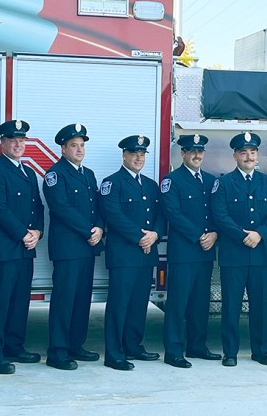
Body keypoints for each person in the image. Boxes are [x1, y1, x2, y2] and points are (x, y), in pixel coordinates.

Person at [211, 132, 267, 367]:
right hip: (234, 254)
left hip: (261, 254)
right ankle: (230, 352)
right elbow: (220, 216)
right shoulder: (224, 183)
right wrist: (243, 235)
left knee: (260, 305)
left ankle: (261, 351)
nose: (249, 156)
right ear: (235, 156)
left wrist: (259, 233)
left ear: (257, 155)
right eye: (243, 152)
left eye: (252, 152)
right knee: (231, 305)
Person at [0, 119, 44, 375]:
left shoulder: (28, 172)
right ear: (2, 142)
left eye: (22, 140)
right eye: (13, 140)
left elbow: (37, 206)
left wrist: (38, 231)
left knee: (19, 302)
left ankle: (14, 346)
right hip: (4, 250)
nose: (18, 144)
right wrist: (23, 234)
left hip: (25, 249)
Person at [98, 134, 166, 371]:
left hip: (147, 254)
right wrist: (141, 237)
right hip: (124, 255)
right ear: (124, 155)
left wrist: (155, 235)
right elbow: (113, 215)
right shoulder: (112, 183)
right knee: (119, 304)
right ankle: (114, 354)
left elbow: (160, 216)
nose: (138, 158)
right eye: (134, 153)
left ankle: (134, 346)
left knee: (139, 304)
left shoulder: (150, 185)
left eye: (142, 154)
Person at [42, 123, 104, 371]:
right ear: (63, 148)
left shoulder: (88, 174)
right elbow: (60, 208)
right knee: (64, 300)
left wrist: (99, 227)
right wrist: (89, 230)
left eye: (82, 146)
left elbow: (97, 206)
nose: (79, 150)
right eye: (74, 146)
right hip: (68, 249)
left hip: (87, 247)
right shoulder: (55, 174)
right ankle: (57, 352)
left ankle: (75, 345)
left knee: (81, 300)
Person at [160, 134, 221, 369]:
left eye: (200, 151)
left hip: (206, 252)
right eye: (191, 151)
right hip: (184, 252)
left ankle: (197, 346)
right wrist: (199, 236)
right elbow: (173, 214)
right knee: (178, 303)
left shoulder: (210, 180)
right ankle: (173, 350)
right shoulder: (171, 181)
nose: (197, 155)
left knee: (200, 302)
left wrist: (214, 233)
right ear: (183, 154)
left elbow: (217, 212)